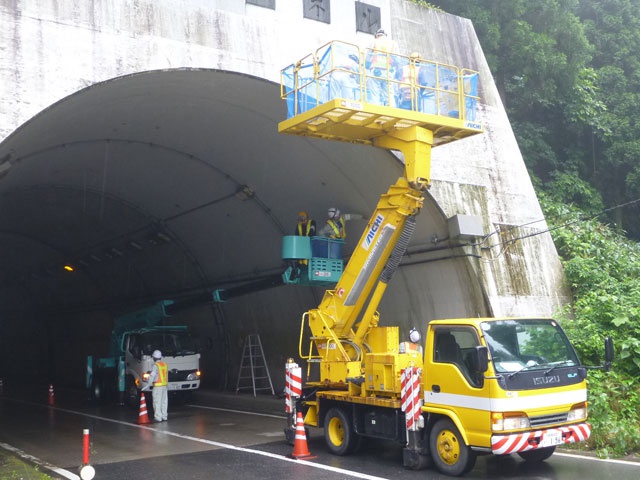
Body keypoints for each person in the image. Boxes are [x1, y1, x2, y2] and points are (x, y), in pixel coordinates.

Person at [366, 28, 397, 106]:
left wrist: (365, 65)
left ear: (377, 35)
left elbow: (367, 57)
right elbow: (397, 59)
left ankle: (375, 108)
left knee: (374, 92)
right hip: (388, 71)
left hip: (376, 70)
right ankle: (391, 109)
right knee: (389, 93)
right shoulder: (393, 43)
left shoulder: (374, 42)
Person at [148, 349, 168, 422]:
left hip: (157, 386)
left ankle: (158, 417)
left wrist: (148, 383)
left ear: (154, 358)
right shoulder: (164, 365)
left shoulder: (155, 366)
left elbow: (152, 376)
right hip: (164, 386)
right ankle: (164, 416)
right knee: (164, 402)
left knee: (157, 402)